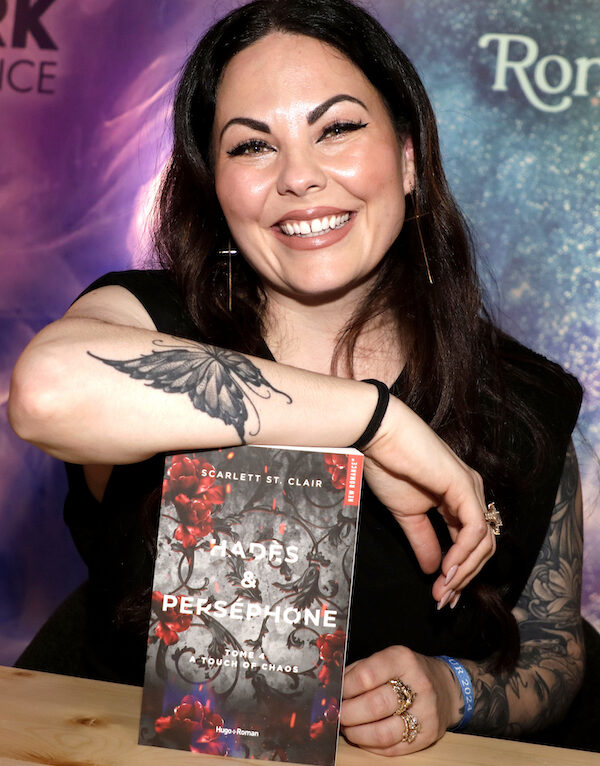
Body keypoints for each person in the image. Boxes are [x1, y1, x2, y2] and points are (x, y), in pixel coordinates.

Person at [8, 0, 597, 756]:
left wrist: (457, 688)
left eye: (339, 128)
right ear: (217, 190)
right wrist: (375, 421)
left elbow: (555, 645)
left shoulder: (520, 398)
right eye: (252, 146)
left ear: (410, 157)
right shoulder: (145, 322)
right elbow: (47, 390)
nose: (299, 177)